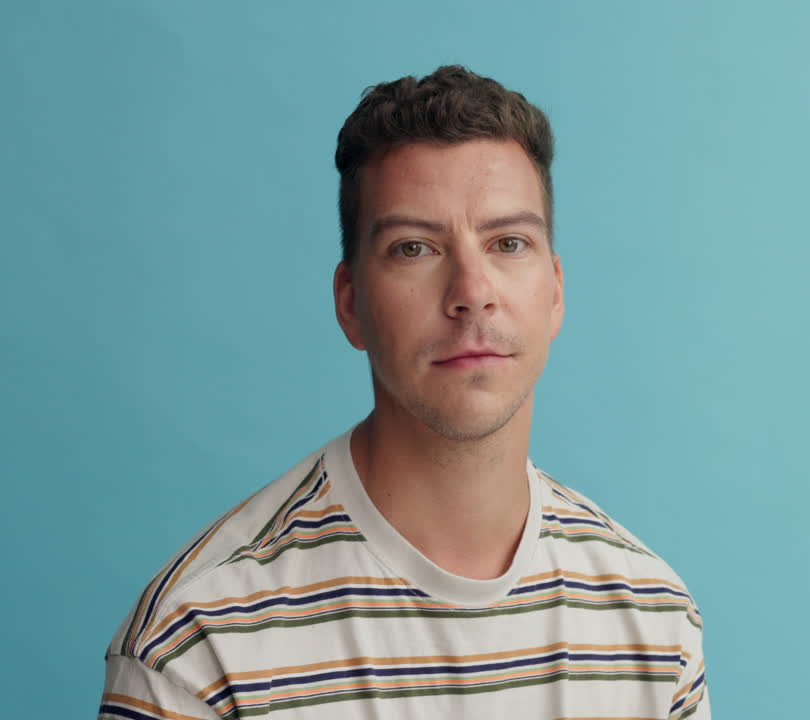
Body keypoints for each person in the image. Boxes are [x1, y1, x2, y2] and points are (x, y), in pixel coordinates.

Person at [99, 65, 709, 719]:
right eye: (414, 248)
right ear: (350, 303)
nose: (472, 291)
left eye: (509, 242)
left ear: (555, 291)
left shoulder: (653, 619)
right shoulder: (198, 640)